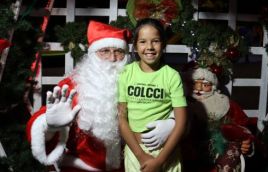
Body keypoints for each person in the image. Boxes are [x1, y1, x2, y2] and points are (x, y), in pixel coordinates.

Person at [26, 20, 176, 171]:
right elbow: (38, 127)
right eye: (104, 51)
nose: (112, 58)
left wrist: (172, 122)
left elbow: (173, 110)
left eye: (118, 51)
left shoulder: (140, 81)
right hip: (81, 168)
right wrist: (49, 126)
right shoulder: (74, 85)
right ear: (92, 55)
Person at [117, 18, 187, 172]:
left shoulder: (171, 76)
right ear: (135, 46)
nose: (149, 47)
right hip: (136, 153)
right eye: (143, 42)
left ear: (163, 44)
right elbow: (121, 119)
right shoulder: (126, 73)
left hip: (166, 153)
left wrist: (160, 161)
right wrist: (141, 155)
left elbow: (181, 123)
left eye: (155, 41)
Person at [183, 67, 255, 172]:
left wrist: (247, 142)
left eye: (205, 85)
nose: (199, 89)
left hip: (220, 151)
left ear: (212, 86)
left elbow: (244, 125)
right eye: (195, 84)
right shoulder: (182, 103)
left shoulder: (225, 104)